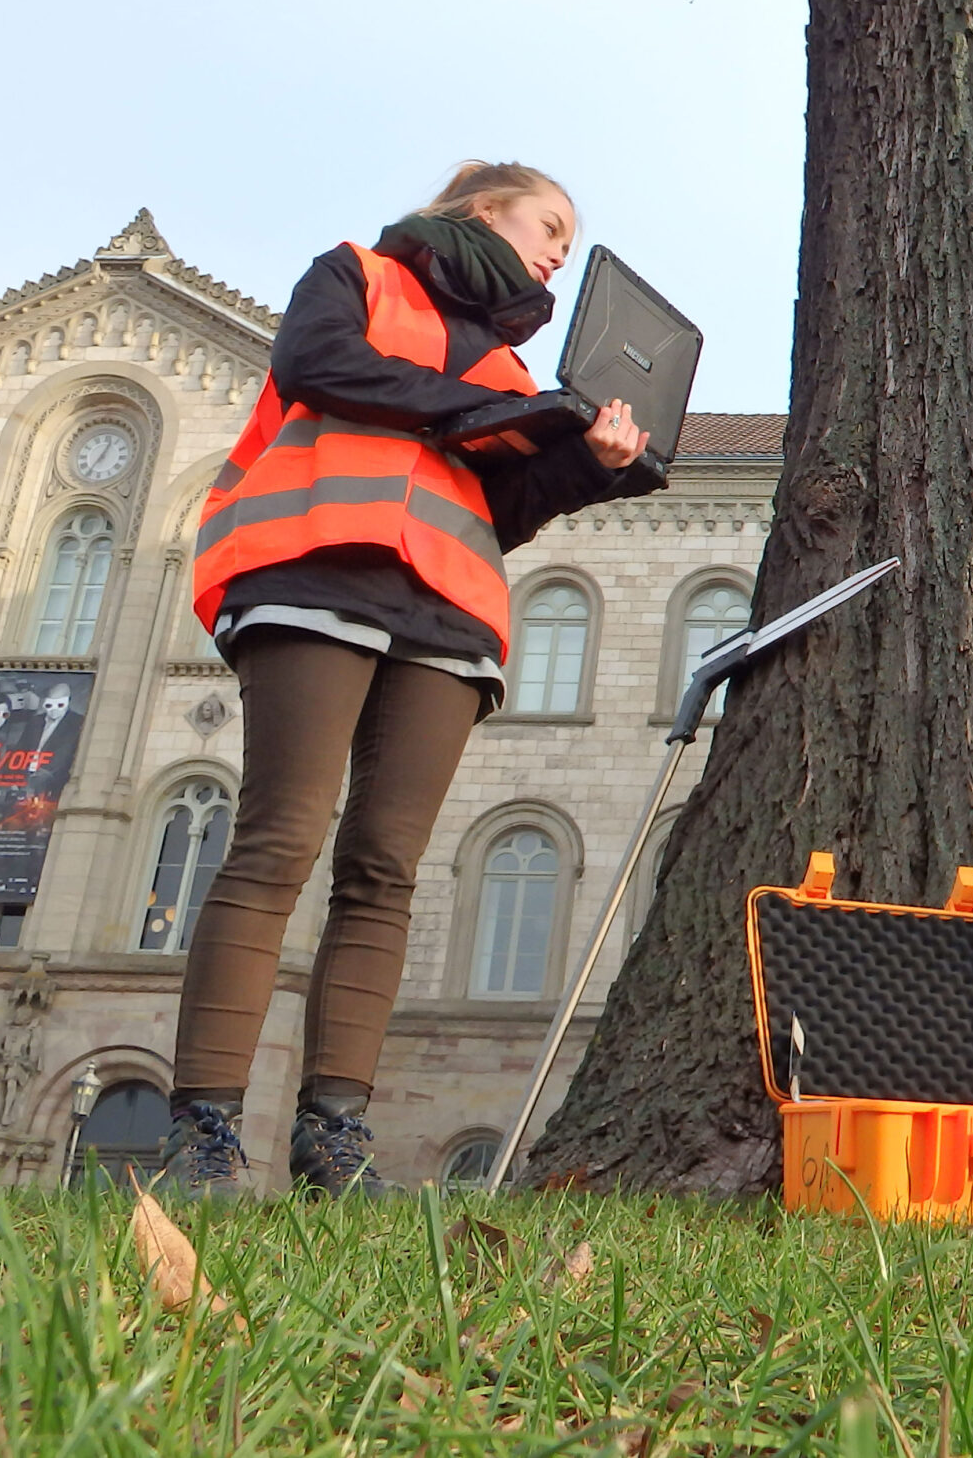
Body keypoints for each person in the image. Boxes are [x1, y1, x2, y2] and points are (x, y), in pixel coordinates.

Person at [158, 160, 651, 1196]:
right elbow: (320, 367)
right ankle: (203, 1127)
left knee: (385, 868)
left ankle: (334, 1133)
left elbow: (504, 507)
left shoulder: (518, 376)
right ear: (482, 209)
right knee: (280, 837)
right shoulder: (358, 274)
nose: (560, 246)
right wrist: (481, 409)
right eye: (549, 222)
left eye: (569, 236)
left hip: (447, 610)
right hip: (313, 568)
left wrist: (590, 456)